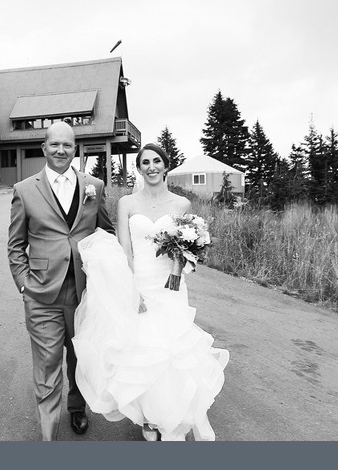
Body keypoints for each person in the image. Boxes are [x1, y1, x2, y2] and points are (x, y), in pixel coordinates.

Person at [72, 143, 229, 441]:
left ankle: (168, 416)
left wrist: (185, 259)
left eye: (157, 161)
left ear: (166, 165)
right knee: (143, 351)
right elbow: (124, 250)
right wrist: (133, 290)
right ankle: (149, 417)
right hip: (140, 282)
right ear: (139, 168)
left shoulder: (181, 205)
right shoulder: (127, 203)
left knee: (171, 351)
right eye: (145, 162)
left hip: (170, 286)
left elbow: (186, 249)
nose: (152, 166)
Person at [7, 121, 114, 441]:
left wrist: (105, 272)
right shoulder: (24, 190)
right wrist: (24, 285)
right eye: (54, 145)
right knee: (47, 364)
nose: (61, 150)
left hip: (84, 292)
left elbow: (105, 232)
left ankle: (76, 407)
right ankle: (48, 434)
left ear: (75, 148)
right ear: (44, 148)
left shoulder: (94, 185)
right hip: (41, 293)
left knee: (80, 356)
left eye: (67, 145)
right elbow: (15, 245)